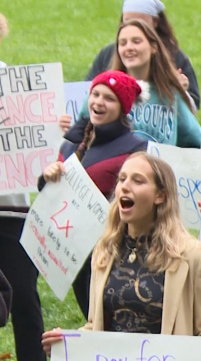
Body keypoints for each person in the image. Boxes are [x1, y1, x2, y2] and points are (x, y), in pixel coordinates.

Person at [40, 152, 201, 360]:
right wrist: (67, 344)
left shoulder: (195, 257)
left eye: (138, 181)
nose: (125, 186)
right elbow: (94, 327)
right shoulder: (105, 251)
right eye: (122, 179)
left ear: (160, 195)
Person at [39, 71, 148, 318]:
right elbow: (48, 194)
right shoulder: (70, 144)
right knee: (90, 315)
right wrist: (48, 175)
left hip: (114, 251)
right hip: (74, 251)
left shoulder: (135, 149)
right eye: (95, 94)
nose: (98, 102)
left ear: (123, 108)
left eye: (109, 98)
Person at [0, 11, 49, 361]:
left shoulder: (17, 88)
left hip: (11, 210)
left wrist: (55, 128)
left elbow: (38, 144)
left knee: (23, 294)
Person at [64, 20, 201, 148]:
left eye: (136, 41)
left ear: (154, 47)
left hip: (156, 173)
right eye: (123, 43)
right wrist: (65, 128)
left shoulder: (170, 94)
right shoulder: (104, 89)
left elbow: (197, 139)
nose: (129, 47)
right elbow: (79, 134)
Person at [85, 0, 200, 108]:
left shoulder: (175, 55)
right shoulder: (107, 53)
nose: (133, 26)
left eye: (140, 22)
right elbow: (86, 93)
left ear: (155, 22)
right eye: (128, 20)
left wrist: (181, 92)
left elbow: (193, 106)